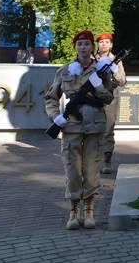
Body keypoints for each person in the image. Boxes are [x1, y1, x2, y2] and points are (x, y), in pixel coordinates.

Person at [44, 30, 116, 230]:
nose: (83, 47)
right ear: (75, 48)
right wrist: (56, 117)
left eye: (87, 44)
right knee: (73, 169)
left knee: (91, 170)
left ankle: (89, 211)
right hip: (71, 126)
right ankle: (74, 211)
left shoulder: (102, 70)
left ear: (93, 47)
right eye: (80, 44)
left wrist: (97, 86)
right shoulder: (65, 70)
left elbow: (108, 98)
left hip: (95, 126)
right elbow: (51, 98)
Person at [95, 32, 127, 174]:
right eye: (101, 42)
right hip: (93, 98)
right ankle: (93, 160)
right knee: (92, 129)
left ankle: (106, 161)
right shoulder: (91, 59)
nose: (104, 45)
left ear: (111, 45)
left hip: (110, 98)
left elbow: (122, 81)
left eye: (107, 42)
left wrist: (114, 70)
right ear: (97, 44)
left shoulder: (117, 60)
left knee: (108, 130)